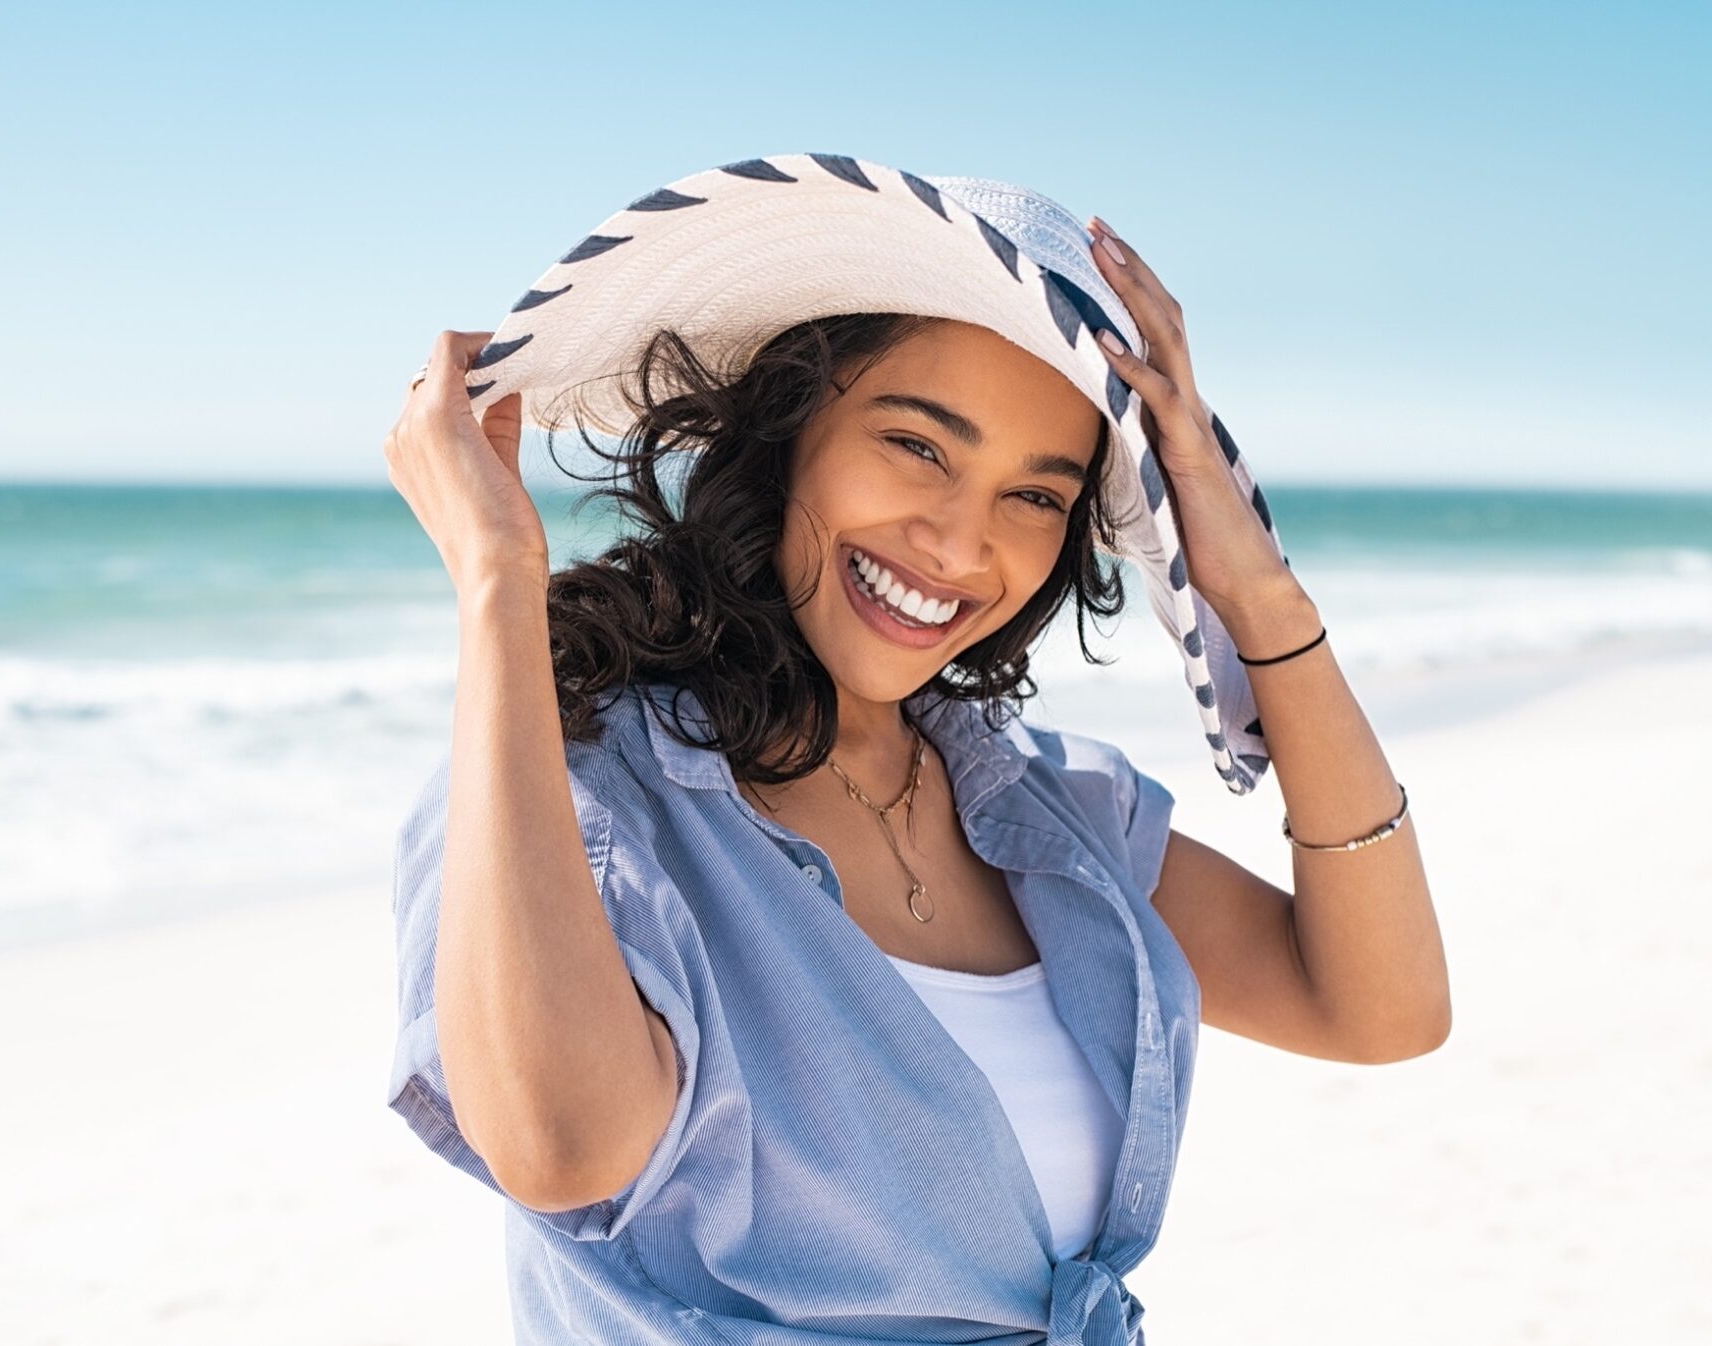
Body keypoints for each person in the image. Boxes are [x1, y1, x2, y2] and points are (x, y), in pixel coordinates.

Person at [378, 159, 1451, 1346]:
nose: (956, 543)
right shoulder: (577, 795)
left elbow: (1382, 1007)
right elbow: (562, 1148)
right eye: (918, 445)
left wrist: (1254, 591)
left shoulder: (1053, 816)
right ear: (787, 431)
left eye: (1035, 498)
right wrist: (496, 587)